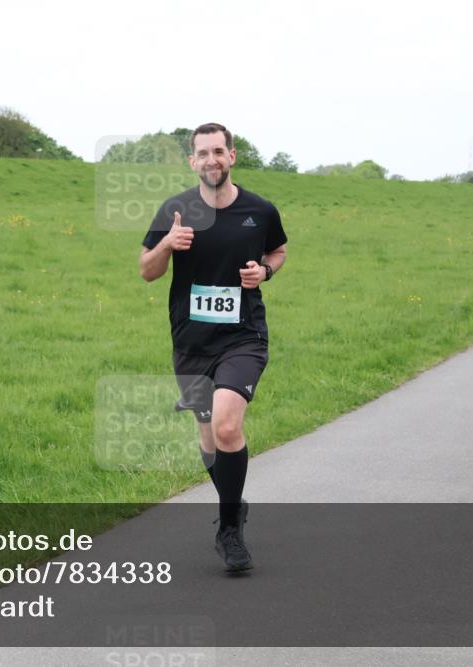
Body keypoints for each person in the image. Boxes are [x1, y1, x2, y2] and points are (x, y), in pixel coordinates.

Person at [139, 122, 287, 572]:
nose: (211, 160)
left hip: (244, 337)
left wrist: (264, 273)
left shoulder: (259, 210)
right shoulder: (176, 209)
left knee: (226, 427)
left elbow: (278, 251)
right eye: (202, 153)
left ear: (232, 156)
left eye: (218, 151)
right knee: (208, 437)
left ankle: (229, 531)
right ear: (192, 161)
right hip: (191, 343)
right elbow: (146, 270)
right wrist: (168, 243)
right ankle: (233, 501)